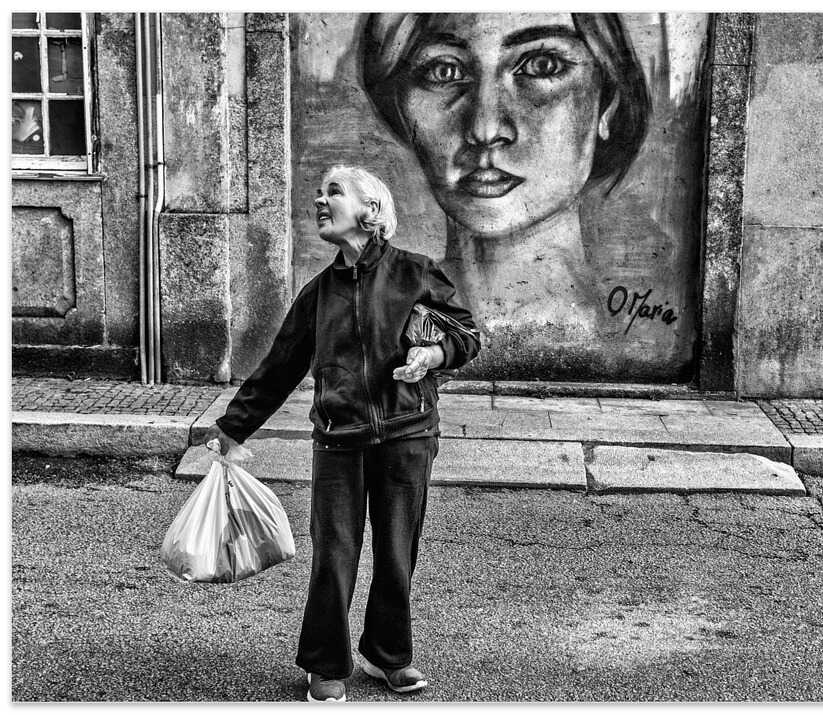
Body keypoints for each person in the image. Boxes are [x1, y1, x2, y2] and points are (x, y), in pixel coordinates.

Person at [200, 165, 480, 702]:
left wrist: (434, 354)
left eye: (333, 192)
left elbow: (467, 336)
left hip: (407, 433)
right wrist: (233, 428)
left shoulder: (416, 273)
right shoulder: (319, 293)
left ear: (370, 211)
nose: (319, 200)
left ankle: (387, 655)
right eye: (319, 192)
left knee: (397, 552)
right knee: (333, 553)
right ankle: (325, 662)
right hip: (338, 438)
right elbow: (280, 366)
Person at [360, 13, 650, 328]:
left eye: (542, 65)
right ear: (400, 107)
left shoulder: (644, 333)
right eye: (444, 71)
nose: (485, 130)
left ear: (609, 103)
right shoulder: (369, 328)